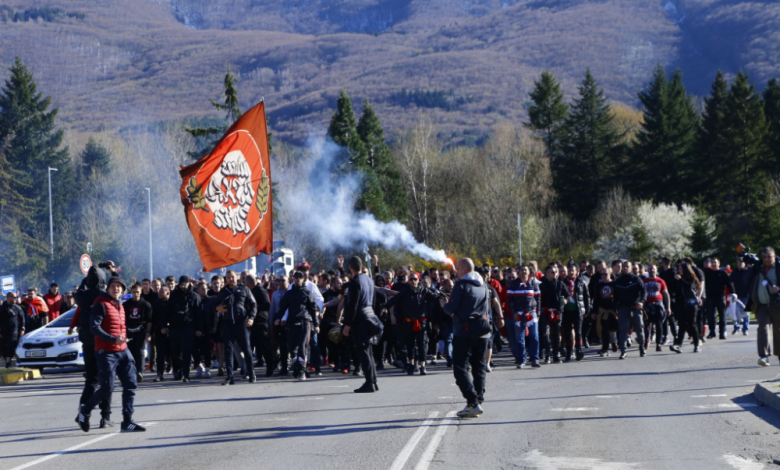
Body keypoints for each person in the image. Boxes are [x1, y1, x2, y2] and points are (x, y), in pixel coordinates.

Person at [77, 274, 145, 433]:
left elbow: (118, 327)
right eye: (113, 286)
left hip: (123, 351)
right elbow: (94, 328)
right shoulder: (100, 304)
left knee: (131, 384)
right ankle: (85, 410)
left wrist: (128, 335)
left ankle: (127, 421)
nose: (116, 288)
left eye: (119, 286)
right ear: (107, 288)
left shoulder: (120, 305)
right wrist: (113, 339)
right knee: (107, 388)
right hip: (106, 352)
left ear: (123, 290)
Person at [443, 258, 490, 418]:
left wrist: (444, 304)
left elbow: (452, 307)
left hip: (464, 331)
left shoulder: (461, 285)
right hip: (483, 331)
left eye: (457, 269)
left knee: (460, 368)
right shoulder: (483, 285)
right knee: (479, 367)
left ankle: (472, 402)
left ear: (463, 270)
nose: (455, 271)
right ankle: (478, 401)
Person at [386, 271, 442, 376]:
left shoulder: (423, 291)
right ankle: (411, 365)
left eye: (415, 279)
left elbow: (435, 298)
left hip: (422, 322)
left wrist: (443, 298)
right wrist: (385, 307)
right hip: (408, 322)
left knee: (423, 344)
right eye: (411, 279)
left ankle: (423, 366)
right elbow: (394, 300)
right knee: (410, 344)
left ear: (418, 280)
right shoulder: (404, 291)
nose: (413, 281)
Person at [342, 256, 382, 393]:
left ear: (350, 268)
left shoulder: (355, 282)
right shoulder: (369, 280)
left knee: (363, 352)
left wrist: (347, 324)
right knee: (368, 352)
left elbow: (353, 305)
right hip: (370, 317)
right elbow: (374, 301)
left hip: (360, 320)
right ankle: (374, 381)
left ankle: (370, 382)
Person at [215, 270, 258, 385]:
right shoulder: (223, 291)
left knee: (247, 349)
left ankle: (251, 373)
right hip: (227, 323)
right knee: (228, 350)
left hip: (241, 323)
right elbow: (215, 305)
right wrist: (217, 309)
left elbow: (253, 304)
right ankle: (230, 377)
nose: (231, 279)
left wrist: (251, 318)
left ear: (237, 277)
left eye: (233, 277)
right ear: (226, 279)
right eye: (228, 277)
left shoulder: (244, 289)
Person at [279, 271, 319, 380]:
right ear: (293, 279)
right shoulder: (289, 293)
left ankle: (302, 371)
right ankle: (296, 369)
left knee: (302, 347)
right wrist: (278, 318)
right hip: (292, 323)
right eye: (296, 277)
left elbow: (313, 309)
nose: (298, 279)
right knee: (292, 348)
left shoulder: (307, 292)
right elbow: (282, 307)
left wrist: (316, 325)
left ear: (303, 278)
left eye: (300, 277)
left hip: (305, 323)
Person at [168, 276, 202, 383]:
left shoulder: (194, 296)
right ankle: (181, 368)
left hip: (188, 327)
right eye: (181, 284)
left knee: (186, 352)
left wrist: (199, 329)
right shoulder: (173, 295)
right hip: (175, 327)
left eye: (184, 284)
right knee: (174, 351)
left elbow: (198, 314)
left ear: (189, 283)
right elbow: (168, 311)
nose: (182, 286)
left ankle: (186, 374)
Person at [506, 265, 541, 368]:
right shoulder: (513, 284)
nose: (524, 272)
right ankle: (521, 360)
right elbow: (510, 300)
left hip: (532, 313)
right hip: (518, 314)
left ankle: (534, 359)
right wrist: (514, 312)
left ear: (529, 272)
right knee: (519, 338)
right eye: (522, 270)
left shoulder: (534, 283)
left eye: (525, 270)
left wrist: (538, 314)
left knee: (534, 336)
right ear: (518, 272)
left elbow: (538, 299)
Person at [752, 247, 780, 367]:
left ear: (774, 257)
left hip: (777, 305)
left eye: (769, 257)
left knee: (778, 331)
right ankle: (764, 356)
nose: (767, 259)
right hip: (762, 305)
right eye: (764, 257)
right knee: (763, 328)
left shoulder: (778, 268)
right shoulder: (758, 268)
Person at [613, 260, 647, 359]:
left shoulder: (636, 279)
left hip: (635, 308)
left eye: (627, 266)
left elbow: (644, 291)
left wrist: (641, 302)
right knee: (623, 330)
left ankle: (642, 347)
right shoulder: (618, 280)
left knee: (639, 330)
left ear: (631, 268)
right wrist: (615, 309)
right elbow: (615, 296)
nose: (625, 268)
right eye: (623, 266)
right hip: (623, 309)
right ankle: (623, 351)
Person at [122, 284, 152, 383]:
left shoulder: (146, 304)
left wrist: (148, 333)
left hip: (141, 331)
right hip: (129, 331)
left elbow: (149, 321)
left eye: (137, 292)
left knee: (140, 351)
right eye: (134, 292)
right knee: (130, 352)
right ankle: (132, 372)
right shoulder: (126, 305)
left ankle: (140, 372)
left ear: (141, 292)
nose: (136, 294)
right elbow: (122, 320)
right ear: (131, 292)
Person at [539, 264, 568, 364]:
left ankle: (555, 354)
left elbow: (567, 295)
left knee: (556, 334)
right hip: (545, 312)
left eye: (556, 272)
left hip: (557, 312)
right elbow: (539, 300)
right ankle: (547, 354)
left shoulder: (560, 284)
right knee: (545, 333)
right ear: (547, 273)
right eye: (553, 272)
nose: (555, 274)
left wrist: (565, 300)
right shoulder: (542, 285)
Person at [670, 262, 702, 353]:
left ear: (685, 269)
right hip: (680, 304)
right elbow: (674, 290)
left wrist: (680, 280)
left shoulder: (691, 278)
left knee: (692, 324)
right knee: (682, 325)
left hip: (691, 304)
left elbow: (689, 287)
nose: (678, 270)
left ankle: (697, 344)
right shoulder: (678, 279)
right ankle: (678, 345)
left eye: (680, 269)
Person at [561, 264, 589, 362]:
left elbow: (586, 297)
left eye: (573, 270)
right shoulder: (562, 283)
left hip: (578, 310)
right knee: (567, 332)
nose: (571, 272)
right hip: (566, 311)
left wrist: (587, 310)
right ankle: (569, 352)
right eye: (569, 270)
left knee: (578, 331)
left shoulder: (581, 282)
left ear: (577, 271)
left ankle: (579, 351)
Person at [704, 258, 736, 340]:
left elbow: (729, 283)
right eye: (712, 263)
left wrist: (733, 292)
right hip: (709, 297)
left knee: (722, 316)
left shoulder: (723, 273)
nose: (714, 264)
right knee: (710, 316)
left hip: (720, 297)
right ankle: (712, 332)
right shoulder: (707, 273)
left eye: (715, 263)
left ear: (719, 264)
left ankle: (722, 333)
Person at [643, 264, 671, 352]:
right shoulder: (644, 281)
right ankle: (647, 340)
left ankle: (658, 344)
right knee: (646, 325)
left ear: (656, 270)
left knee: (659, 325)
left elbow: (666, 295)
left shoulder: (661, 281)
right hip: (647, 304)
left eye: (653, 269)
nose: (652, 271)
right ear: (648, 270)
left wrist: (668, 307)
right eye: (650, 269)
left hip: (658, 304)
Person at [151, 286, 174, 382]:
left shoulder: (172, 304)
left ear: (168, 293)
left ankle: (174, 367)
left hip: (172, 332)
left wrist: (168, 326)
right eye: (159, 292)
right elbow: (154, 319)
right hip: (159, 332)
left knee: (172, 352)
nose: (159, 293)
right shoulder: (156, 304)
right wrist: (160, 328)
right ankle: (159, 374)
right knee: (160, 353)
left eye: (162, 292)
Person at [0, 292, 25, 368]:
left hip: (14, 331)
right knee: (3, 348)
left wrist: (22, 328)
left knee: (11, 347)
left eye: (16, 297)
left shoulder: (17, 307)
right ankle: (6, 360)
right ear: (8, 297)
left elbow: (22, 319)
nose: (15, 298)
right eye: (14, 297)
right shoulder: (2, 308)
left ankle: (8, 363)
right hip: (3, 331)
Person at [731, 257, 753, 335]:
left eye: (741, 262)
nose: (739, 264)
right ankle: (736, 328)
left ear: (744, 263)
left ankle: (745, 329)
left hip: (746, 295)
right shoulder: (735, 272)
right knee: (735, 313)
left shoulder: (748, 271)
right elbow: (730, 282)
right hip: (736, 296)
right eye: (738, 263)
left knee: (746, 313)